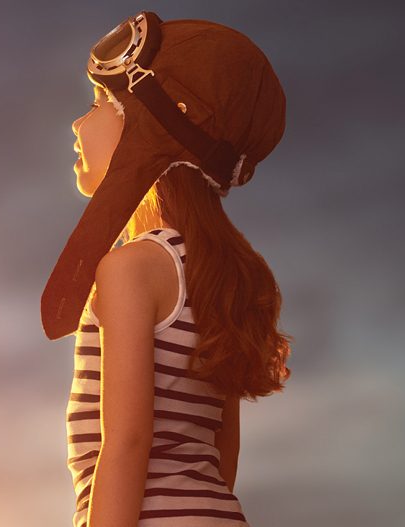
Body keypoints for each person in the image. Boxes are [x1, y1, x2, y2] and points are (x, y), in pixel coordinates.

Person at [43, 12, 290, 526]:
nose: (78, 123)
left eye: (98, 104)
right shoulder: (221, 272)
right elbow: (222, 458)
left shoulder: (130, 269)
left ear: (149, 123)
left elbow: (128, 443)